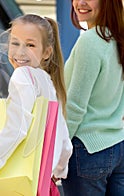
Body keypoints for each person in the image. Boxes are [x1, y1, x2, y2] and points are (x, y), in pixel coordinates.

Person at [0, 14, 73, 196]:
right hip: (45, 185)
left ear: (47, 52)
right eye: (15, 43)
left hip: (21, 186)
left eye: (30, 45)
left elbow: (16, 128)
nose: (20, 52)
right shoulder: (47, 81)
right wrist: (59, 169)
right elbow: (64, 138)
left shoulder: (23, 76)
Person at [61, 0, 124, 195]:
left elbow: (75, 106)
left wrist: (58, 151)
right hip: (118, 146)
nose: (80, 3)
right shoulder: (118, 39)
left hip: (86, 150)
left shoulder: (90, 40)